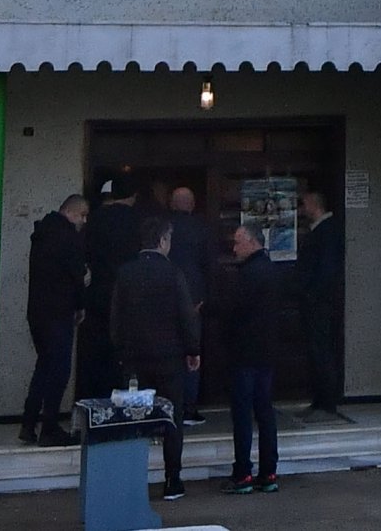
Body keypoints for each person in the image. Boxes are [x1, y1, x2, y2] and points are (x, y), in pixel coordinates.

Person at [110, 219, 201, 503]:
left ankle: (132, 481)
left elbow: (116, 319)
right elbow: (186, 316)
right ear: (162, 241)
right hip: (169, 358)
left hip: (134, 360)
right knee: (172, 419)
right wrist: (192, 350)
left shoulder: (125, 274)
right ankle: (172, 480)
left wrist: (122, 351)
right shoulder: (172, 272)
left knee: (134, 418)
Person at [20, 191, 89, 447]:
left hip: (37, 311)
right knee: (59, 370)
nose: (84, 221)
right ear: (71, 212)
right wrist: (80, 305)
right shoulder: (68, 237)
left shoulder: (42, 233)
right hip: (59, 311)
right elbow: (76, 275)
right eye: (82, 215)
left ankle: (28, 424)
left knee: (44, 367)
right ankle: (49, 428)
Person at [217, 221, 279, 493]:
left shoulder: (245, 276)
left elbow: (232, 313)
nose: (234, 247)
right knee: (265, 412)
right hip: (266, 353)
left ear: (253, 243)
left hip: (244, 354)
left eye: (239, 241)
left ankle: (242, 472)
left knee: (243, 414)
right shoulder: (272, 271)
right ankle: (269, 472)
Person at [80, 173, 143, 402]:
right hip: (130, 296)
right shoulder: (138, 221)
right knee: (126, 354)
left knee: (96, 355)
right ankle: (126, 405)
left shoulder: (94, 220)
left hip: (98, 294)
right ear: (133, 196)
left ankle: (94, 405)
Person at [295, 186, 345, 418]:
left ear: (314, 205)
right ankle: (321, 399)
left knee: (321, 350)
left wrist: (311, 293)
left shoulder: (325, 232)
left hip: (319, 302)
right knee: (318, 350)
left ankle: (326, 400)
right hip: (319, 300)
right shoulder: (324, 231)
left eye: (304, 205)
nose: (302, 210)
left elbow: (326, 270)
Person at [166, 187, 212, 422]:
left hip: (164, 298)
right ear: (192, 204)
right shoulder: (201, 228)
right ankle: (188, 407)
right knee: (192, 353)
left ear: (172, 204)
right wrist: (204, 297)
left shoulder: (163, 227)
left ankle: (167, 406)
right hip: (193, 299)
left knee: (166, 351)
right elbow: (209, 263)